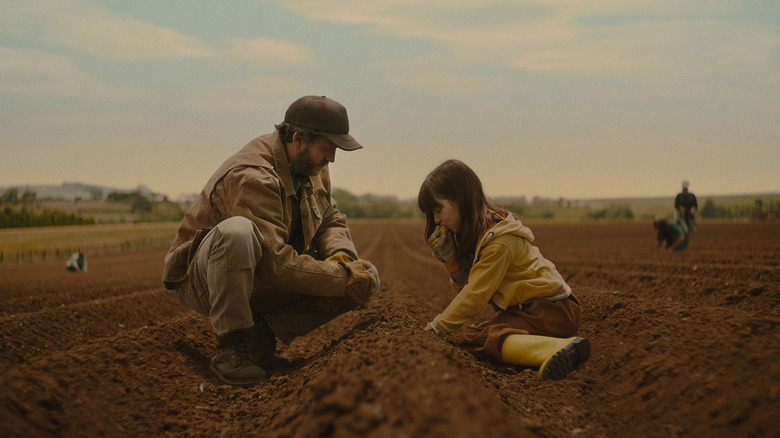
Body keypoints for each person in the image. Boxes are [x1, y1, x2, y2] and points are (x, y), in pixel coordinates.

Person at [162, 95, 380, 386]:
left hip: (257, 273)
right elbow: (274, 262)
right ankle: (231, 346)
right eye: (327, 149)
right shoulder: (253, 176)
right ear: (297, 139)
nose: (331, 158)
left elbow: (330, 218)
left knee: (366, 275)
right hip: (207, 278)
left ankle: (258, 337)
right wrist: (339, 279)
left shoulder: (311, 167)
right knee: (237, 232)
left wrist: (341, 258)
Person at [417, 159, 590, 380]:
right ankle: (554, 347)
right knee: (475, 336)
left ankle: (553, 349)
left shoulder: (498, 242)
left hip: (551, 310)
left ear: (460, 200)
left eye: (438, 210)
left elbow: (475, 295)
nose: (436, 220)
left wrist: (437, 327)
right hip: (535, 310)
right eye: (432, 214)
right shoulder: (482, 236)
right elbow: (470, 289)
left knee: (478, 338)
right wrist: (451, 263)